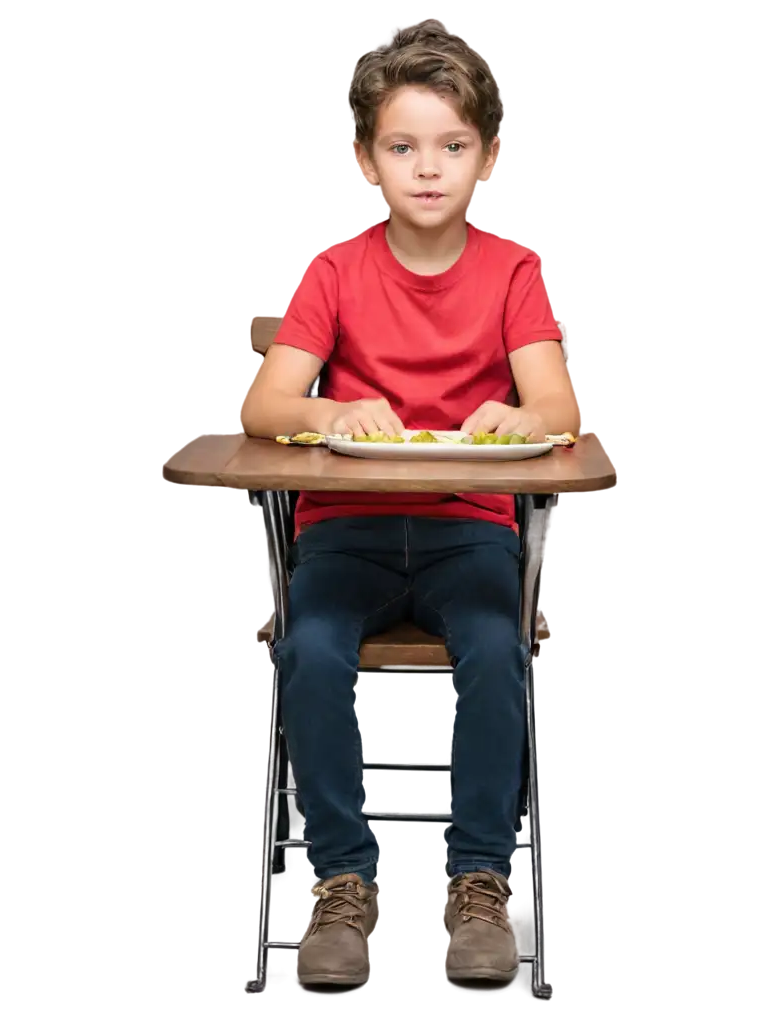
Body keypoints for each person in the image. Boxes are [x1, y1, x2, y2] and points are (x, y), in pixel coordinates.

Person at [237, 19, 579, 988]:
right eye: (402, 147)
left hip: (465, 527)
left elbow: (558, 406)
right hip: (341, 534)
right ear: (364, 162)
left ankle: (478, 875)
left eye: (452, 146)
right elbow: (265, 404)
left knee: (493, 647)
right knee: (305, 648)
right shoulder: (335, 269)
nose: (428, 169)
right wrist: (331, 403)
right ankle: (340, 878)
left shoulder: (509, 271)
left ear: (486, 157)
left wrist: (513, 415)